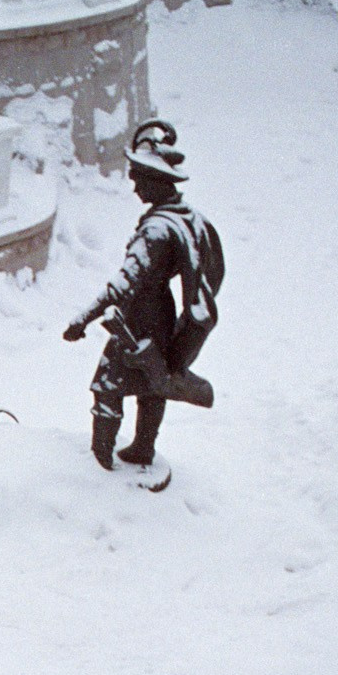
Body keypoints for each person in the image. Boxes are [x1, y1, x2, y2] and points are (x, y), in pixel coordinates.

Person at [62, 119, 225, 479]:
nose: (133, 185)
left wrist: (83, 318)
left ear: (155, 180)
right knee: (152, 382)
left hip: (138, 319)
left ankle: (102, 462)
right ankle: (142, 448)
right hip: (164, 316)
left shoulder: (155, 231)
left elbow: (124, 284)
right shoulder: (188, 219)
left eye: (137, 176)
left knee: (108, 385)